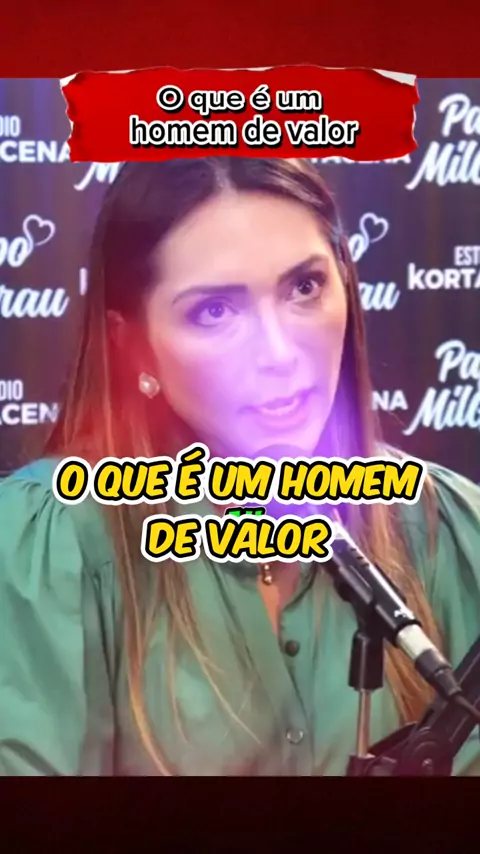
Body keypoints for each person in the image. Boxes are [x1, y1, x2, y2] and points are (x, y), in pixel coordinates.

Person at [0, 157, 479, 776]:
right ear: (133, 345)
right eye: (214, 311)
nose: (278, 353)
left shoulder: (445, 526)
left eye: (304, 287)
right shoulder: (54, 545)